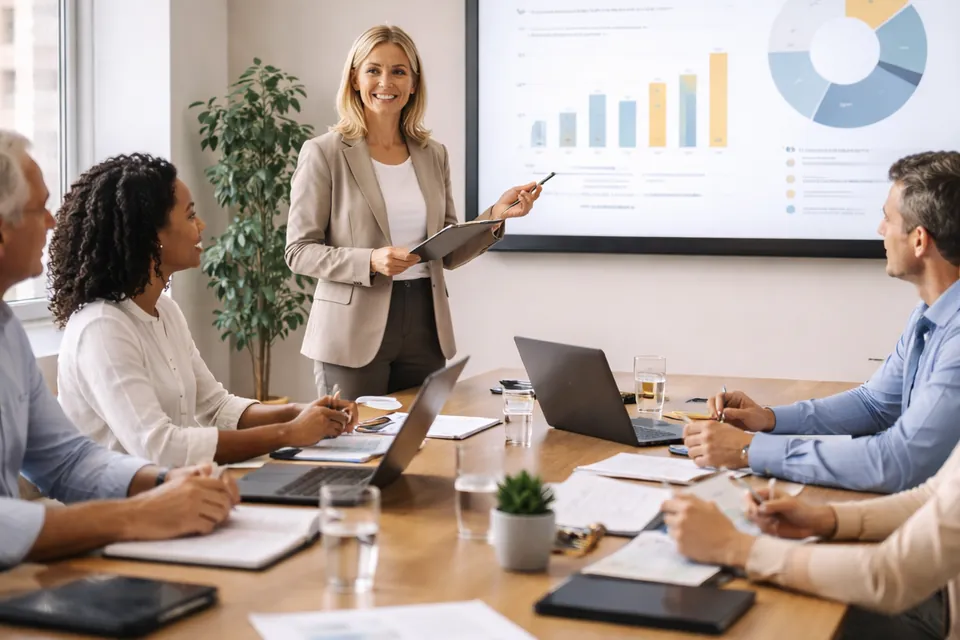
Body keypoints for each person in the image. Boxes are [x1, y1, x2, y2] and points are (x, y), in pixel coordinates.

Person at [0, 129, 238, 569]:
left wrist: (168, 481)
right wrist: (137, 513)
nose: (54, 223)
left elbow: (67, 462)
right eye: (38, 210)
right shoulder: (99, 324)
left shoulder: (8, 331)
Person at [48, 153, 358, 468]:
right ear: (152, 236)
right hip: (124, 507)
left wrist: (300, 413)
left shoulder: (164, 311)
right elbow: (159, 448)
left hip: (178, 491)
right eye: (190, 215)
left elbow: (217, 408)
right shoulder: (101, 328)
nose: (201, 225)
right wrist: (287, 433)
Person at [285, 25, 542, 400]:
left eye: (398, 71)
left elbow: (448, 248)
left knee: (424, 448)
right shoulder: (323, 153)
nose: (385, 81)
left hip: (425, 323)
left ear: (413, 83)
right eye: (373, 70)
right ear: (355, 79)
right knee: (355, 446)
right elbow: (298, 251)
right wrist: (370, 260)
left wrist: (496, 215)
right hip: (352, 330)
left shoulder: (432, 153)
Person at [682, 151, 960, 493]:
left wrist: (748, 450)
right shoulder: (930, 313)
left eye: (888, 219)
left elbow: (898, 462)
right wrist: (768, 419)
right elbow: (875, 404)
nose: (880, 230)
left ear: (919, 239)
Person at [660, 448, 958, 640]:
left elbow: (890, 577)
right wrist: (824, 518)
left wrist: (733, 546)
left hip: (939, 621)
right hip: (939, 594)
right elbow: (932, 496)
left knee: (770, 623)